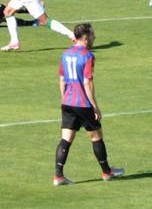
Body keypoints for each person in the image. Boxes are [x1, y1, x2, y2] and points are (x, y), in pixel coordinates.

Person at [53, 23, 124, 186]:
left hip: (68, 103)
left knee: (66, 138)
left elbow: (62, 79)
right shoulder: (88, 56)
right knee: (96, 136)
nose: (94, 37)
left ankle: (58, 176)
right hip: (83, 103)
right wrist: (95, 106)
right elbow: (87, 83)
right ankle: (107, 172)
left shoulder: (65, 54)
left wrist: (65, 99)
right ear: (85, 37)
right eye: (92, 35)